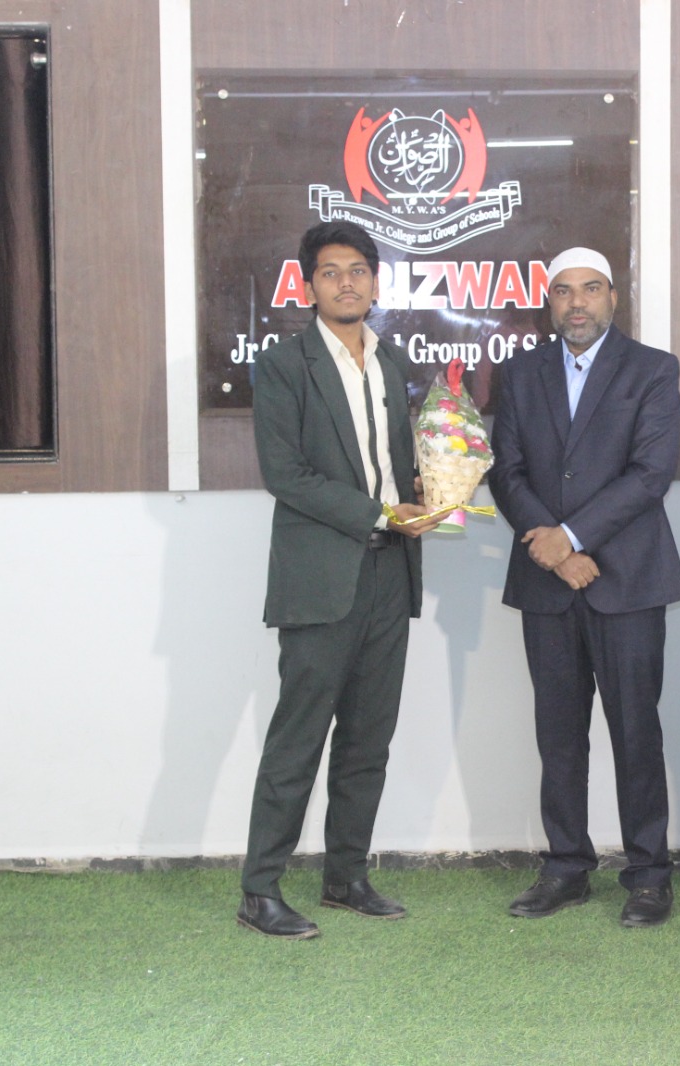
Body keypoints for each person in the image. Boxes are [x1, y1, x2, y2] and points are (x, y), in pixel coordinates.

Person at [237, 220, 445, 939]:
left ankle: (345, 876)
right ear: (308, 286)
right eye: (330, 272)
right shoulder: (284, 365)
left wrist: (430, 489)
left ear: (376, 281)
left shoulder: (391, 362)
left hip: (390, 572)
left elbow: (394, 466)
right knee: (298, 739)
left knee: (367, 739)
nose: (346, 282)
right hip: (322, 577)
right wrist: (381, 512)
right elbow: (286, 475)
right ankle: (260, 891)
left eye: (358, 270)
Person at [488, 247, 680, 928]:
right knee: (559, 736)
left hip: (627, 580)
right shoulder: (521, 373)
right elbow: (506, 471)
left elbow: (651, 473)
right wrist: (553, 549)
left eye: (591, 289)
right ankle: (566, 868)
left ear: (613, 298)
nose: (577, 303)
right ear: (549, 302)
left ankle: (649, 875)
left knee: (636, 733)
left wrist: (570, 539)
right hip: (547, 584)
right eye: (563, 291)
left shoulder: (653, 370)